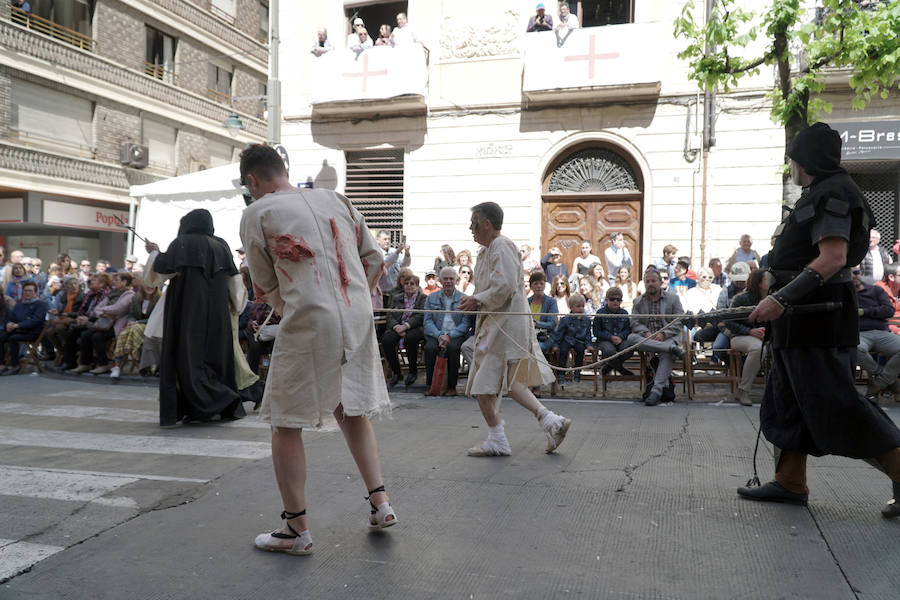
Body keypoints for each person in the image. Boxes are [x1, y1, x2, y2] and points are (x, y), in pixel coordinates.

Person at [736, 122, 900, 519]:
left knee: (836, 406)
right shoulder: (821, 192)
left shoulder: (835, 192)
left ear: (803, 159)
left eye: (792, 157)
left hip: (817, 319)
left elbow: (833, 258)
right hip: (800, 320)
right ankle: (791, 481)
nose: (790, 165)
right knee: (785, 402)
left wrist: (778, 299)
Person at [239, 143, 396, 556]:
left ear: (253, 180)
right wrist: (356, 295)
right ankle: (380, 503)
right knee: (352, 408)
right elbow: (374, 257)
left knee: (285, 422)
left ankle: (295, 529)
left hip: (310, 315)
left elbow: (264, 283)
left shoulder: (258, 212)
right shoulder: (336, 198)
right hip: (357, 312)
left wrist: (292, 305)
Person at [459, 202, 571, 457]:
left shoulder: (502, 245)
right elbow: (490, 288)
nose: (471, 228)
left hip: (506, 325)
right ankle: (550, 422)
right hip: (496, 324)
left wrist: (476, 300)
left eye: (474, 223)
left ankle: (500, 438)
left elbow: (506, 286)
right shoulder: (485, 252)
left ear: (486, 224)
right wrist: (475, 300)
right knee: (508, 383)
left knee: (484, 383)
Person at [144, 209, 246, 426]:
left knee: (186, 360)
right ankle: (218, 403)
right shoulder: (221, 246)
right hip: (218, 315)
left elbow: (159, 274)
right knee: (216, 359)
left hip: (187, 313)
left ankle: (199, 405)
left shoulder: (181, 243)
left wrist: (154, 253)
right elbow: (235, 283)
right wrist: (236, 308)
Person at [625, 268, 686, 406]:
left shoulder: (673, 298)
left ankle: (656, 392)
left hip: (668, 336)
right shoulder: (638, 302)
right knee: (631, 338)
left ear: (660, 282)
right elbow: (634, 323)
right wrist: (646, 333)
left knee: (666, 354)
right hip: (647, 337)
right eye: (647, 281)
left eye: (653, 281)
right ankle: (672, 348)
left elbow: (679, 320)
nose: (650, 284)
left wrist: (664, 334)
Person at [69, 272, 135, 375]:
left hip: (117, 326)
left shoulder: (129, 295)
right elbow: (96, 309)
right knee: (85, 335)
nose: (114, 282)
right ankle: (85, 363)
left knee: (97, 336)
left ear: (124, 282)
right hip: (104, 322)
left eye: (117, 280)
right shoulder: (111, 294)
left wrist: (103, 311)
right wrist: (105, 312)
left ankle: (103, 364)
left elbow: (118, 309)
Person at [423, 267, 473, 396]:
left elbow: (465, 323)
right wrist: (440, 335)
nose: (448, 281)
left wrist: (449, 335)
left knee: (453, 348)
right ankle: (431, 385)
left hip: (455, 334)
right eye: (445, 279)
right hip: (436, 334)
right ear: (440, 280)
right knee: (429, 348)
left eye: (451, 278)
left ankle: (452, 386)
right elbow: (427, 321)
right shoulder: (431, 298)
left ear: (456, 280)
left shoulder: (464, 298)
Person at [852, 266, 900, 399]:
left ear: (860, 273)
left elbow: (888, 311)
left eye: (856, 272)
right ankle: (887, 381)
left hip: (881, 332)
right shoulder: (845, 294)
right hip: (859, 334)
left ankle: (878, 383)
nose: (853, 276)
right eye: (849, 274)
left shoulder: (876, 291)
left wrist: (863, 312)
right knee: (855, 348)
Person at [723, 268, 766, 406]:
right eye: (767, 279)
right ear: (759, 283)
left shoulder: (775, 297)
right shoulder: (741, 298)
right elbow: (728, 321)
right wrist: (749, 331)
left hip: (767, 336)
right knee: (759, 349)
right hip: (740, 336)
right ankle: (743, 391)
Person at [382, 274, 426, 387]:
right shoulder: (397, 298)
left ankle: (412, 372)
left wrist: (406, 326)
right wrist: (396, 327)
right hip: (398, 326)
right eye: (407, 283)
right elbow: (390, 315)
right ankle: (397, 372)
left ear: (417, 286)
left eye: (412, 284)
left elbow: (421, 316)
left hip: (415, 327)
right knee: (387, 340)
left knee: (410, 339)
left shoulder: (423, 298)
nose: (409, 286)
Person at [109, 284, 160, 379]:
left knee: (135, 329)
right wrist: (130, 321)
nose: (150, 287)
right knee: (124, 332)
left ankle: (121, 363)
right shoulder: (136, 298)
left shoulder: (159, 300)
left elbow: (155, 318)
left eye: (153, 285)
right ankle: (117, 366)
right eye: (147, 284)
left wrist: (137, 322)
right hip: (135, 326)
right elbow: (131, 314)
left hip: (151, 326)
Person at [61, 273, 109, 370]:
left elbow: (100, 312)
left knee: (85, 334)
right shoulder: (90, 294)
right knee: (70, 333)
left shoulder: (105, 294)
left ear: (102, 284)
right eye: (89, 280)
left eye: (93, 281)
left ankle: (86, 363)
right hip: (86, 319)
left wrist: (86, 319)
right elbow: (83, 310)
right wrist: (79, 317)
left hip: (98, 321)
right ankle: (70, 362)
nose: (89, 282)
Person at [0, 281, 46, 375]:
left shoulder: (40, 304)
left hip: (32, 332)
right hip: (18, 330)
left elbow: (35, 321)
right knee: (1, 337)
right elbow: (11, 318)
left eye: (30, 291)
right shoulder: (19, 305)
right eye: (25, 291)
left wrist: (18, 325)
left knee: (13, 338)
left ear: (35, 292)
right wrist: (9, 324)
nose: (27, 293)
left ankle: (15, 365)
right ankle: (1, 364)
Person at [552, 293, 591, 386]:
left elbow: (588, 334)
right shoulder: (565, 319)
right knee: (563, 352)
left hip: (579, 340)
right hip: (567, 339)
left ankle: (577, 371)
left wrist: (589, 344)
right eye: (578, 306)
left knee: (581, 351)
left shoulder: (586, 320)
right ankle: (561, 373)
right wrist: (556, 344)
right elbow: (559, 333)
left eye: (582, 306)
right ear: (571, 307)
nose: (581, 309)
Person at [593, 286, 633, 376]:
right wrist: (610, 337)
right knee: (609, 351)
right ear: (606, 300)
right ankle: (622, 370)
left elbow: (628, 329)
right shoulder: (600, 313)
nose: (615, 302)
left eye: (618, 300)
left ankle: (608, 367)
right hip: (605, 340)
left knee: (629, 350)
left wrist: (621, 337)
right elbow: (596, 331)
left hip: (621, 339)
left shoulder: (624, 313)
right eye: (612, 299)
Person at [528, 271, 558, 353]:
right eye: (536, 283)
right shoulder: (526, 302)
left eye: (541, 283)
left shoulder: (551, 302)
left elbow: (552, 324)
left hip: (545, 337)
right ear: (531, 286)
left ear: (545, 286)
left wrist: (536, 324)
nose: (539, 286)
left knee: (535, 348)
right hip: (528, 336)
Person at [376, 230, 410, 297]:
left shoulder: (393, 251)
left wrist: (407, 253)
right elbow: (385, 263)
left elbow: (405, 264)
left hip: (395, 292)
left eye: (389, 239)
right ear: (378, 240)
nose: (387, 241)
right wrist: (397, 252)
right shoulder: (376, 252)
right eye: (385, 239)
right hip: (383, 293)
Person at [875, 263, 900, 334]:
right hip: (884, 331)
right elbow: (881, 320)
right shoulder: (878, 291)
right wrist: (897, 331)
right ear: (891, 277)